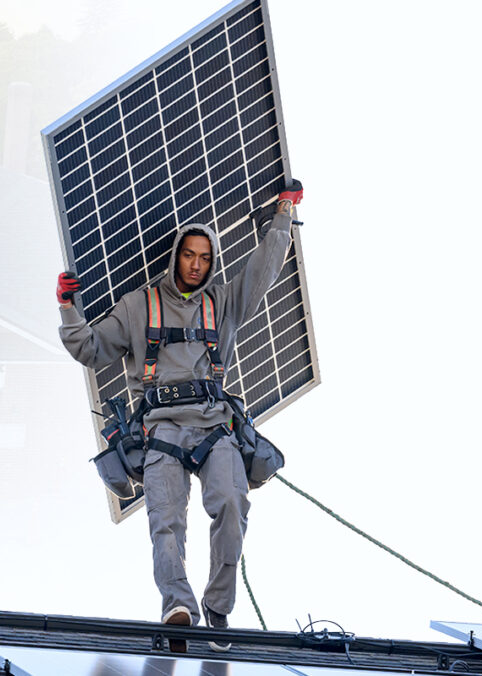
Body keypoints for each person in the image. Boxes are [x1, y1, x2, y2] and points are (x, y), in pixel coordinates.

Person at [56, 182, 303, 652]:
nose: (196, 264)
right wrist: (68, 307)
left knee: (232, 504)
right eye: (189, 255)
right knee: (165, 522)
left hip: (214, 425)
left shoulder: (223, 304)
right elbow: (88, 347)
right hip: (160, 429)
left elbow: (263, 271)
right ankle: (178, 607)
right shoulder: (137, 306)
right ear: (176, 256)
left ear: (211, 263)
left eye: (205, 258)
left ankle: (218, 606)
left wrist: (284, 215)